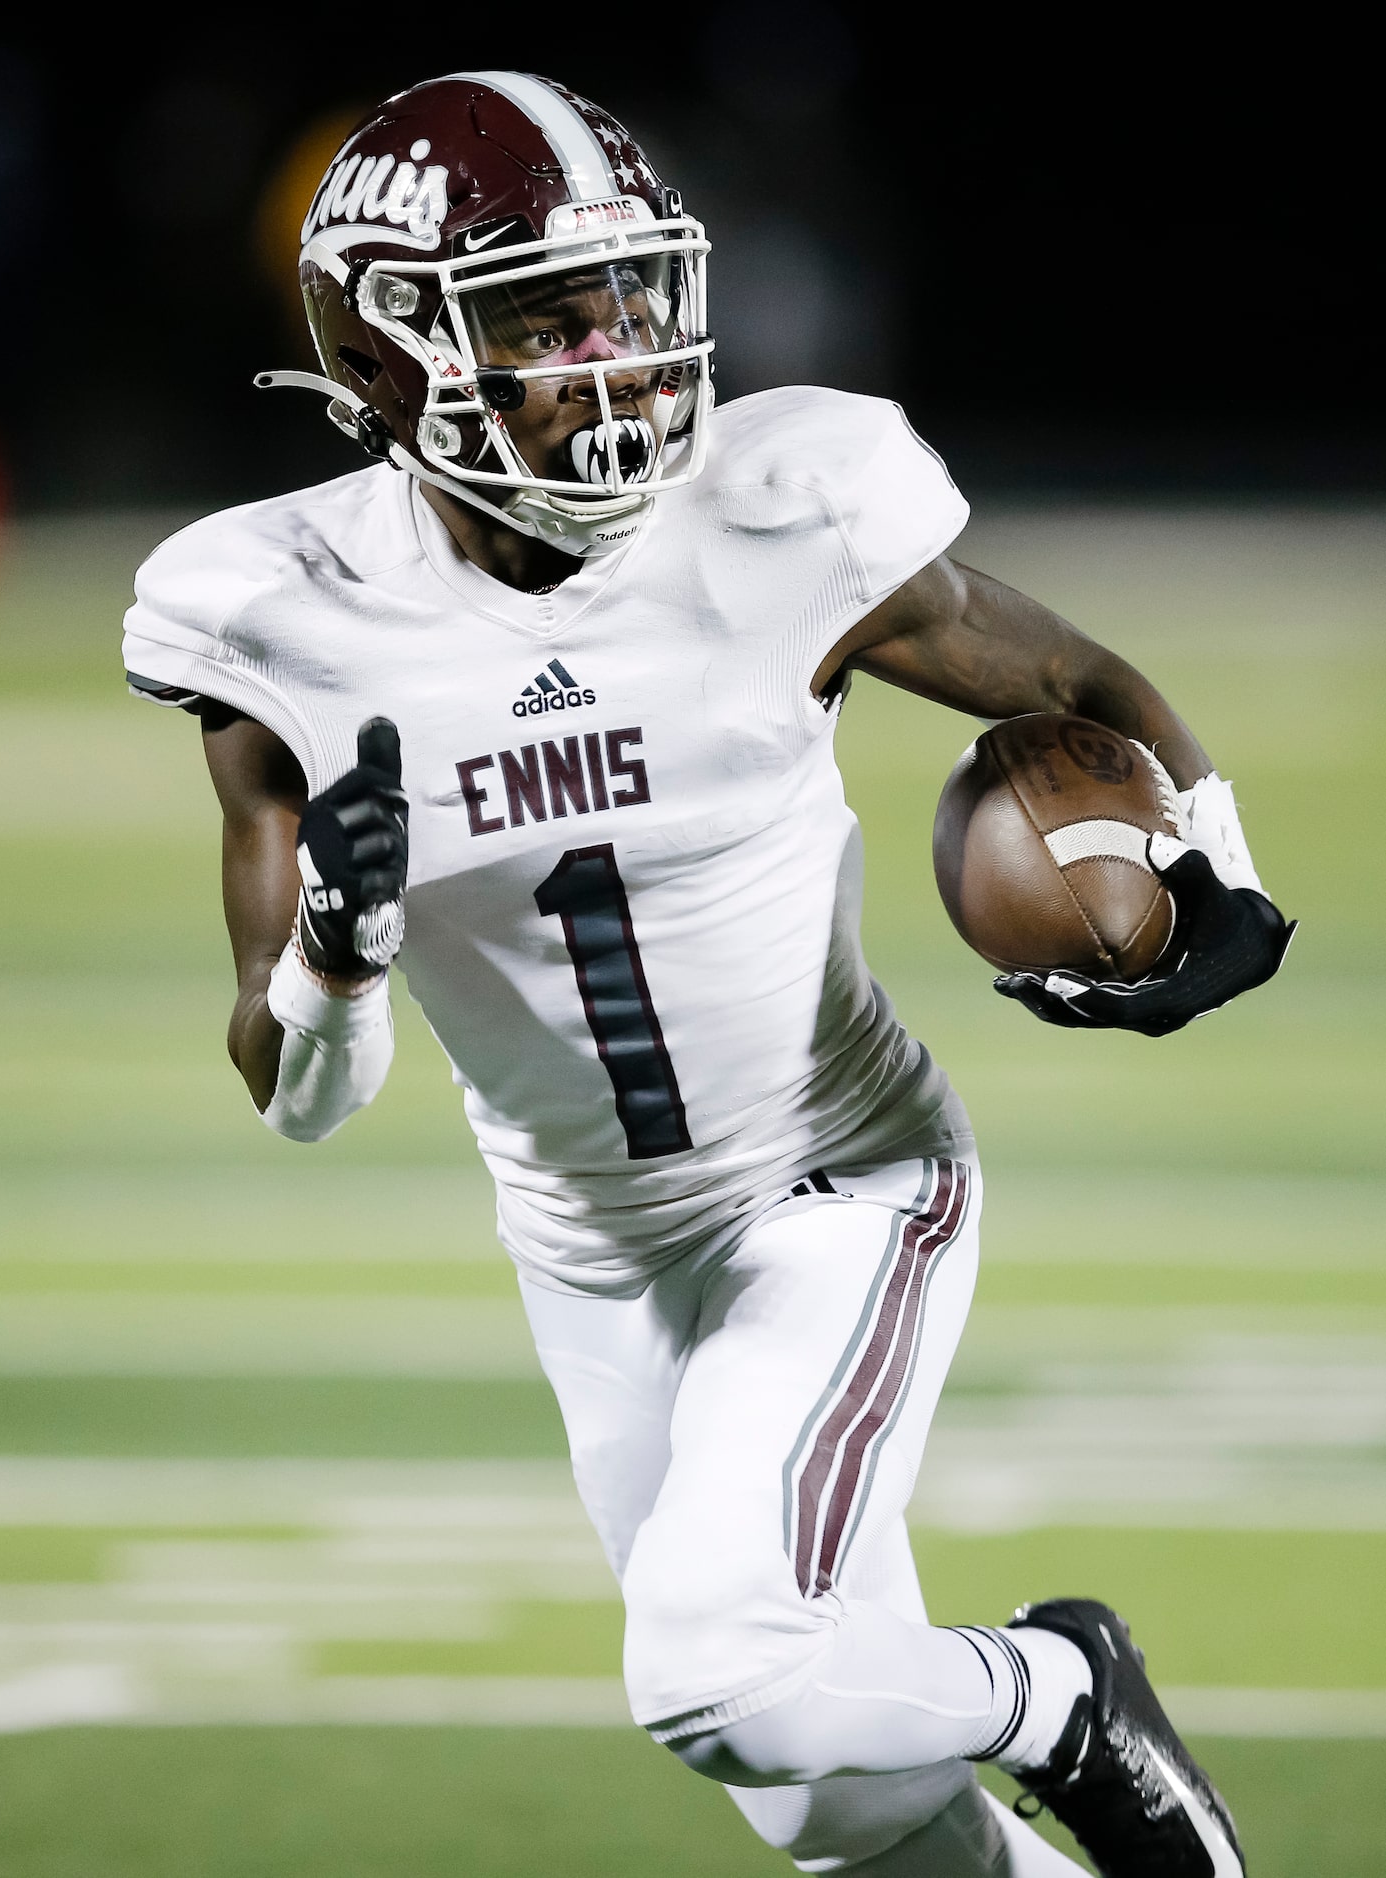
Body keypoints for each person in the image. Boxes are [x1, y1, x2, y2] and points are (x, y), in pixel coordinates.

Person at [122, 71, 1291, 1877]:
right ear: (381, 359)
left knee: (722, 1672)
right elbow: (297, 1097)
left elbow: (1073, 683)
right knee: (836, 1804)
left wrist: (1209, 865)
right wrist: (344, 958)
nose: (611, 356)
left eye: (623, 297)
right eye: (537, 317)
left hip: (832, 1177)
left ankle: (1057, 1690)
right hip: (587, 1243)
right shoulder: (282, 613)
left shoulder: (774, 512)